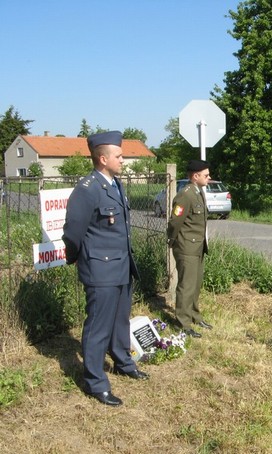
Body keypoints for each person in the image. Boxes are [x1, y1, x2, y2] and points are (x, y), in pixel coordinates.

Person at [62, 131, 148, 407]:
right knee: (98, 327)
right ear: (102, 158)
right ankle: (95, 381)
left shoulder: (115, 184)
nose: (123, 160)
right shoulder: (87, 189)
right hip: (101, 270)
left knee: (120, 320)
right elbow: (73, 232)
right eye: (119, 156)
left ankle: (123, 361)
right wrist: (75, 257)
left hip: (122, 266)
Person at [167, 159, 214, 339]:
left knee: (195, 284)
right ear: (195, 176)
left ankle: (194, 315)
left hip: (197, 246)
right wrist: (173, 241)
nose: (209, 178)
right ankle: (183, 322)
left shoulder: (198, 191)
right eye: (206, 175)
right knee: (186, 285)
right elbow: (175, 221)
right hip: (186, 246)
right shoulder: (185, 194)